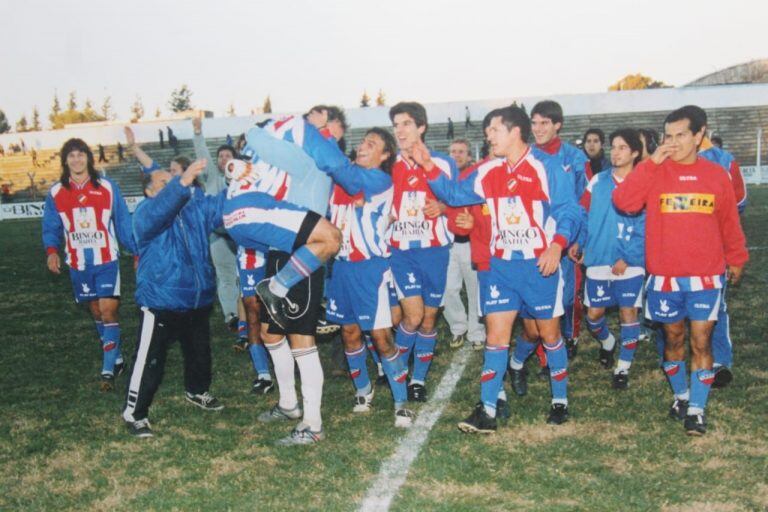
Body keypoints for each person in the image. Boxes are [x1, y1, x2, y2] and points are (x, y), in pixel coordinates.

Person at [415, 106, 582, 430]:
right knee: (495, 337)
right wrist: (427, 166)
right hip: (500, 267)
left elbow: (570, 211)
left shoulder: (546, 168)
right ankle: (488, 410)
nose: (488, 136)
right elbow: (452, 194)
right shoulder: (486, 171)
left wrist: (556, 244)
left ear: (514, 131)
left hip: (538, 266)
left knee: (548, 334)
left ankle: (559, 400)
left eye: (493, 130)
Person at [613, 106, 748, 435]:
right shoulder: (655, 171)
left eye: (681, 135)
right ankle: (682, 396)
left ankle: (697, 411)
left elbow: (729, 221)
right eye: (668, 136)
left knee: (702, 342)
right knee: (673, 339)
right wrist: (650, 164)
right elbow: (624, 201)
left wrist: (736, 257)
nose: (673, 142)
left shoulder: (716, 175)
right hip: (664, 276)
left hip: (706, 276)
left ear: (699, 134)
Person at [282, 125, 416, 427]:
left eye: (372, 144)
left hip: (370, 269)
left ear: (384, 155)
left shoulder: (379, 180)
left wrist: (313, 133)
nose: (363, 146)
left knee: (381, 337)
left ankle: (401, 401)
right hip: (341, 268)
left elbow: (337, 167)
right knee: (349, 333)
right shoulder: (340, 182)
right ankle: (363, 390)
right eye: (362, 142)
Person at [227, 111, 344, 444]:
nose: (321, 135)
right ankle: (289, 404)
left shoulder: (314, 162)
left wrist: (254, 132)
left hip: (303, 256)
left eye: (327, 130)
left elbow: (265, 145)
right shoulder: (296, 160)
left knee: (300, 338)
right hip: (281, 247)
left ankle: (313, 423)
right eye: (317, 129)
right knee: (270, 334)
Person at [122, 160, 226, 438]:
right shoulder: (144, 213)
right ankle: (135, 413)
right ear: (148, 192)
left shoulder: (193, 207)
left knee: (199, 353)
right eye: (162, 183)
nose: (171, 186)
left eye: (173, 181)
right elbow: (160, 211)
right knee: (150, 360)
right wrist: (180, 184)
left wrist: (242, 182)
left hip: (196, 299)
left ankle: (197, 390)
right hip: (161, 300)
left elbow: (221, 209)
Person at [42, 138, 135, 391]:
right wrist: (52, 251)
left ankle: (107, 371)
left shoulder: (107, 187)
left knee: (108, 310)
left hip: (106, 260)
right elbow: (51, 226)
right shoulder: (56, 192)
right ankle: (116, 358)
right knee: (96, 312)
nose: (76, 160)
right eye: (71, 156)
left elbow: (124, 223)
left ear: (88, 158)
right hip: (78, 263)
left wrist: (136, 251)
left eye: (81, 155)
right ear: (65, 161)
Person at [387, 101, 457, 403]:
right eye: (396, 125)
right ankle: (396, 371)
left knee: (429, 319)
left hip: (435, 251)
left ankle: (417, 380)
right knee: (412, 317)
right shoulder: (388, 166)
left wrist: (442, 206)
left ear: (421, 127)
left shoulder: (441, 163)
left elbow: (459, 200)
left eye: (406, 124)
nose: (400, 131)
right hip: (401, 251)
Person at [572, 129, 645, 389]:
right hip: (598, 256)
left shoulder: (643, 182)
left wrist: (628, 257)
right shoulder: (599, 181)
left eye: (622, 147)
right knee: (593, 315)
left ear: (635, 152)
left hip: (631, 262)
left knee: (628, 313)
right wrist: (579, 242)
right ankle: (608, 342)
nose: (615, 152)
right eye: (613, 147)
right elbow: (583, 213)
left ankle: (622, 368)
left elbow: (647, 225)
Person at [531, 100, 590, 361]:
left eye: (544, 123)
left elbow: (586, 200)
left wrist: (580, 238)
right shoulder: (527, 155)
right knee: (541, 294)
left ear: (558, 125)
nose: (538, 128)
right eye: (534, 123)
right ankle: (546, 349)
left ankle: (570, 335)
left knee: (567, 296)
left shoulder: (575, 157)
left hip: (568, 235)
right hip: (536, 237)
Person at [192, 117, 241, 331]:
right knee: (225, 274)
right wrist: (197, 133)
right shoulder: (212, 177)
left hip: (240, 233)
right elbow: (202, 155)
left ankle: (248, 313)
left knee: (245, 273)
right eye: (220, 156)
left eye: (227, 156)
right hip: (219, 235)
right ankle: (231, 315)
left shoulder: (241, 178)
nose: (223, 159)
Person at [444, 138, 485, 350]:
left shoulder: (476, 179)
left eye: (461, 152)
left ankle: (476, 330)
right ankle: (458, 327)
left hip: (471, 243)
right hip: (449, 243)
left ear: (470, 157)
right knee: (449, 288)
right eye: (453, 152)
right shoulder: (443, 180)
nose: (457, 155)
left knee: (474, 289)